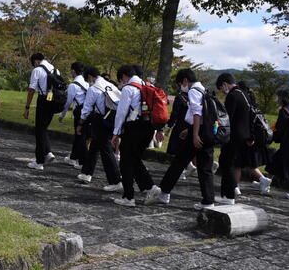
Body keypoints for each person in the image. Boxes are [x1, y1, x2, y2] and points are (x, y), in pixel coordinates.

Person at [145, 68, 215, 210]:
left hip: (197, 132)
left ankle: (164, 193)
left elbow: (197, 114)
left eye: (180, 84)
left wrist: (194, 134)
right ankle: (208, 201)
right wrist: (189, 130)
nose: (181, 87)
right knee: (205, 168)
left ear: (185, 81)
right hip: (207, 132)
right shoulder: (204, 90)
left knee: (179, 163)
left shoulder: (193, 91)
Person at [215, 74, 272, 201]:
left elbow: (227, 117)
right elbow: (250, 117)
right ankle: (230, 193)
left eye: (221, 88)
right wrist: (250, 136)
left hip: (233, 135)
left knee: (227, 163)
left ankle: (228, 195)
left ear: (224, 84)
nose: (222, 91)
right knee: (231, 163)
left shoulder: (232, 96)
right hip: (244, 135)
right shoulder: (244, 94)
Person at [110, 65, 161, 206]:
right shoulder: (147, 85)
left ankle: (128, 197)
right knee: (134, 159)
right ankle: (150, 187)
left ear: (125, 76)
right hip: (148, 127)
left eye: (121, 79)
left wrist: (116, 132)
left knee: (125, 162)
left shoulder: (129, 88)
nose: (122, 82)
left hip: (134, 128)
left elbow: (121, 112)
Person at [77, 65, 122, 190]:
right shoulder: (110, 85)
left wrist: (80, 123)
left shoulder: (94, 89)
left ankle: (115, 181)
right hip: (112, 119)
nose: (88, 82)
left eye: (87, 80)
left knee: (106, 150)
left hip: (100, 119)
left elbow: (86, 109)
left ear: (90, 77)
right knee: (95, 146)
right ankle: (86, 173)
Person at [23, 53, 59, 170]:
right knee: (43, 128)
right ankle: (47, 152)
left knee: (39, 130)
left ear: (36, 61)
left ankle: (39, 162)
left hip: (43, 100)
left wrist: (27, 107)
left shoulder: (37, 70)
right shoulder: (55, 70)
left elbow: (31, 90)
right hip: (54, 100)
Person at [236, 80, 272, 194]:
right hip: (255, 139)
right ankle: (263, 180)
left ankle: (235, 186)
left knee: (238, 163)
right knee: (248, 163)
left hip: (247, 139)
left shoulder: (245, 105)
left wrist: (249, 138)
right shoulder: (255, 107)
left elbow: (247, 123)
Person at [58, 62, 90, 168]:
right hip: (87, 110)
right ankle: (73, 158)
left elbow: (68, 102)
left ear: (73, 71)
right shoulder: (86, 83)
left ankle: (83, 162)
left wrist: (62, 115)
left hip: (79, 111)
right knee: (79, 135)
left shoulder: (73, 85)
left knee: (80, 136)